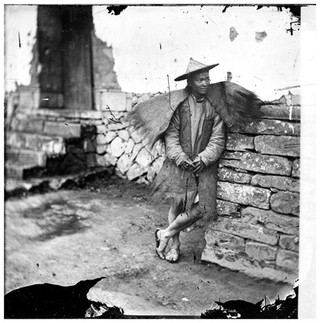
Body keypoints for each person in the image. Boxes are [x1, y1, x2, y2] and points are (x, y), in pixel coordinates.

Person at [127, 58, 261, 263]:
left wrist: (204, 158)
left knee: (205, 207)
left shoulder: (214, 106)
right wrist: (180, 158)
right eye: (200, 80)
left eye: (207, 78)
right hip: (179, 164)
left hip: (204, 165)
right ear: (190, 82)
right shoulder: (179, 106)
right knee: (178, 204)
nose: (206, 83)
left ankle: (165, 233)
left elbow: (218, 138)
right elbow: (171, 137)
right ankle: (175, 246)